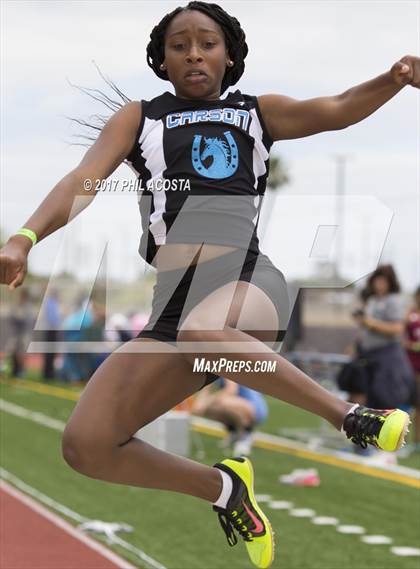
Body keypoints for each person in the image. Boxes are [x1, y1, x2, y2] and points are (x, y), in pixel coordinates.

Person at [0, 3, 418, 567]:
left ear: (229, 55)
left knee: (206, 328)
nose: (194, 53)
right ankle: (225, 490)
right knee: (87, 445)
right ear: (163, 60)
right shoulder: (139, 119)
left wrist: (394, 79)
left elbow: (338, 109)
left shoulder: (255, 113)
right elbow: (84, 179)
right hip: (173, 310)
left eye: (207, 43)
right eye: (180, 45)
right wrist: (25, 236)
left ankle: (349, 417)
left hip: (247, 283)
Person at [353, 265, 415, 411]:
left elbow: (397, 328)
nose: (379, 284)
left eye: (383, 281)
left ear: (390, 282)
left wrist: (371, 323)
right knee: (371, 400)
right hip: (370, 356)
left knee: (386, 398)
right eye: (377, 280)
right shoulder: (373, 300)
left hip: (387, 357)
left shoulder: (393, 301)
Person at [191, 377, 268, 456]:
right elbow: (205, 392)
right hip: (240, 404)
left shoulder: (227, 366)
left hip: (254, 408)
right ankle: (233, 431)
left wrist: (206, 402)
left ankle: (246, 436)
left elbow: (230, 391)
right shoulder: (212, 368)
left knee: (223, 403)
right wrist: (199, 404)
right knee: (209, 408)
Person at [404, 286, 420, 452]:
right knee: (406, 405)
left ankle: (417, 442)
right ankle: (401, 440)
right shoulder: (409, 315)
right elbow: (400, 337)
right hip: (410, 368)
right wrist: (411, 345)